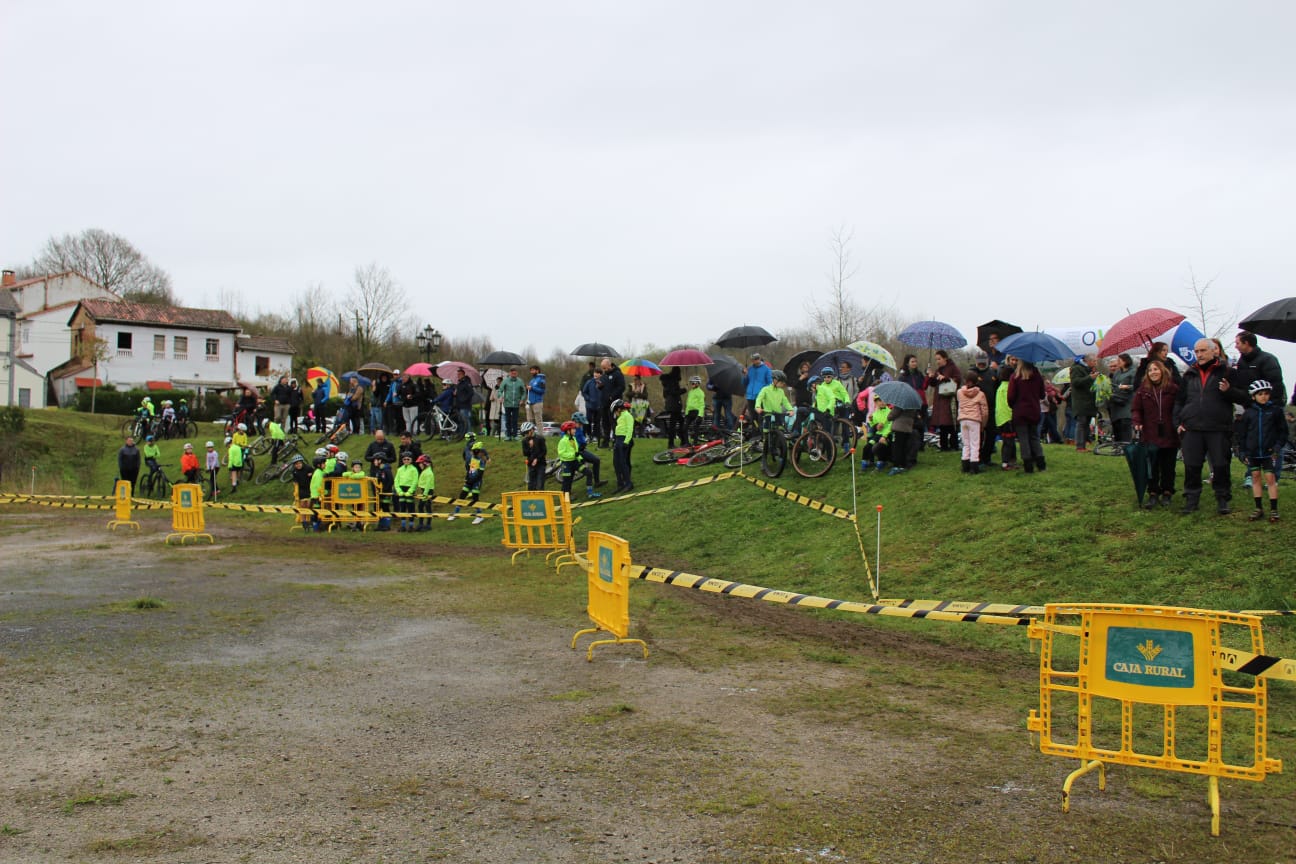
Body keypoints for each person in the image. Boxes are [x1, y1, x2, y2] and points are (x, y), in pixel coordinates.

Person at [1174, 338, 1248, 515]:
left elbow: (1243, 397)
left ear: (1213, 351)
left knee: (1221, 465)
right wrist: (1177, 422)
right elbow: (1179, 401)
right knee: (1192, 466)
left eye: (1202, 351)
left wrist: (1229, 391)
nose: (1199, 354)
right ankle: (1191, 500)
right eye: (1196, 351)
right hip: (1192, 428)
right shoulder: (1189, 374)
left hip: (1218, 427)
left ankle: (1223, 499)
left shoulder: (1228, 372)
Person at [1131, 359, 1180, 509]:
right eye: (1150, 370)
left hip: (1169, 432)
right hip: (1150, 432)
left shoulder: (1173, 389)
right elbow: (1136, 409)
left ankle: (1167, 492)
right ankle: (1152, 492)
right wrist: (1137, 421)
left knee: (1168, 465)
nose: (1153, 372)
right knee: (1151, 465)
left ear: (1162, 371)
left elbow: (1179, 408)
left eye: (1156, 369)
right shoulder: (1143, 390)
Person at [1238, 380, 1287, 523]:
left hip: (1269, 452)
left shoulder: (1275, 411)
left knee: (1270, 479)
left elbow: (1282, 432)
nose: (1264, 397)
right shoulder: (1248, 413)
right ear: (1253, 396)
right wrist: (1242, 451)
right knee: (1255, 477)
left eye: (1266, 394)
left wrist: (1277, 446)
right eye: (1260, 394)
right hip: (1253, 452)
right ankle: (1258, 508)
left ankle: (1274, 510)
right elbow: (1242, 434)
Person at [1008, 360, 1046, 473]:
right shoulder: (1037, 376)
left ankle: (1028, 466)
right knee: (1034, 438)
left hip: (1020, 411)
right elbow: (1042, 394)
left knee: (1023, 439)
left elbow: (1010, 396)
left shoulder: (1015, 377)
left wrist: (1014, 405)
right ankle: (1041, 464)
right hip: (1034, 410)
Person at [557, 421, 601, 500]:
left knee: (588, 473)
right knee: (567, 481)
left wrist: (580, 459)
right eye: (573, 429)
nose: (575, 430)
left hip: (575, 462)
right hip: (567, 464)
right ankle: (565, 498)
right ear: (568, 431)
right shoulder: (563, 441)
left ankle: (590, 493)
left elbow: (576, 451)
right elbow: (561, 454)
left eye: (574, 428)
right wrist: (573, 455)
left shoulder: (573, 439)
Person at [449, 440, 489, 523]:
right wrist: (467, 478)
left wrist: (472, 481)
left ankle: (479, 515)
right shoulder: (472, 459)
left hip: (476, 482)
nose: (471, 452)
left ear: (477, 451)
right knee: (462, 495)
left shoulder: (481, 461)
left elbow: (480, 474)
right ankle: (455, 513)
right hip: (469, 480)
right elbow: (470, 470)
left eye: (473, 451)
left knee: (475, 498)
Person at [929, 350, 961, 451]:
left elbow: (958, 379)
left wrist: (946, 378)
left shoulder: (953, 368)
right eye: (936, 359)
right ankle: (944, 446)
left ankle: (954, 445)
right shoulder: (939, 369)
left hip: (949, 399)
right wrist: (931, 377)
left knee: (951, 424)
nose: (937, 361)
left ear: (945, 358)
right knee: (942, 424)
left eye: (939, 359)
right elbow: (934, 384)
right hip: (939, 399)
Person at [957, 371, 989, 474]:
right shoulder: (980, 394)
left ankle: (965, 465)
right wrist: (983, 424)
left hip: (963, 419)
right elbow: (984, 411)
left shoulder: (959, 392)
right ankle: (974, 466)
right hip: (974, 419)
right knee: (975, 444)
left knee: (966, 443)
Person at [1070, 355, 1097, 451]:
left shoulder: (1089, 370)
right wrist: (1090, 378)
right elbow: (1076, 382)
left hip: (1089, 401)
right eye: (1094, 361)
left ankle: (1084, 445)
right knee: (1081, 422)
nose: (1095, 363)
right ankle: (1079, 446)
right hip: (1081, 401)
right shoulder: (1076, 368)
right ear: (1087, 361)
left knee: (1086, 423)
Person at [1108, 354, 1136, 443]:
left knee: (1125, 424)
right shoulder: (1117, 373)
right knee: (1116, 425)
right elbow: (1113, 384)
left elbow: (1137, 386)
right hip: (1116, 401)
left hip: (1127, 401)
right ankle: (1117, 445)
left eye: (1120, 361)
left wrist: (1127, 387)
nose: (1118, 362)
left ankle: (1126, 445)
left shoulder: (1133, 372)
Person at [572, 413, 604, 487]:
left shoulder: (579, 428)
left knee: (596, 460)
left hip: (581, 450)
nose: (581, 425)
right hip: (575, 452)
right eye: (580, 424)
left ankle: (597, 482)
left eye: (582, 424)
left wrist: (584, 443)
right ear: (574, 421)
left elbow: (582, 439)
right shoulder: (569, 430)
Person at [611, 398, 635, 494]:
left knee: (623, 462)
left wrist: (626, 442)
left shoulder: (627, 416)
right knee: (616, 463)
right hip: (618, 440)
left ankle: (628, 483)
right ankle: (620, 483)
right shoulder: (620, 417)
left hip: (624, 440)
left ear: (619, 409)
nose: (615, 414)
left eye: (615, 411)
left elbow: (630, 429)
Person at [742, 353, 773, 426]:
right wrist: (745, 375)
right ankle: (755, 432)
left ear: (759, 359)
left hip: (760, 397)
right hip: (750, 396)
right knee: (753, 416)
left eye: (757, 359)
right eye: (753, 360)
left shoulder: (766, 369)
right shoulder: (749, 369)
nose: (755, 361)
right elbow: (744, 383)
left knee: (760, 417)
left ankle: (761, 433)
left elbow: (770, 383)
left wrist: (762, 390)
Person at [393, 451, 419, 532]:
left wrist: (411, 491)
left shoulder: (414, 469)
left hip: (409, 489)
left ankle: (411, 525)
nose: (406, 461)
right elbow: (396, 480)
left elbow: (415, 481)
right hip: (401, 489)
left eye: (408, 459)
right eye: (404, 459)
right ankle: (403, 525)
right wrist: (399, 490)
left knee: (410, 508)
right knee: (402, 507)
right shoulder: (400, 469)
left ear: (411, 460)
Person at [659, 367, 684, 449]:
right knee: (676, 423)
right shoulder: (674, 381)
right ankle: (674, 442)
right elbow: (674, 392)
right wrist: (683, 390)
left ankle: (681, 440)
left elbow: (665, 394)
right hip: (675, 404)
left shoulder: (666, 382)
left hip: (670, 404)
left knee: (678, 422)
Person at [499, 367, 526, 441]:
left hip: (516, 404)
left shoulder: (520, 381)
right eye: (512, 373)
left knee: (515, 420)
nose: (514, 374)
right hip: (507, 403)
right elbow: (500, 390)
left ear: (517, 373)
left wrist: (522, 399)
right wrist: (501, 397)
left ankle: (515, 435)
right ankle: (508, 435)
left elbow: (524, 392)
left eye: (515, 373)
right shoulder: (505, 381)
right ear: (510, 373)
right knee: (508, 420)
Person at [521, 421, 547, 491]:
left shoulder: (540, 439)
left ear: (532, 430)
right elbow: (525, 453)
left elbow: (544, 451)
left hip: (540, 463)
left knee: (540, 484)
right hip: (531, 464)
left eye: (527, 432)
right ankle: (531, 499)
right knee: (531, 484)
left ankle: (541, 499)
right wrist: (530, 446)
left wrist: (537, 459)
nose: (526, 435)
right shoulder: (524, 441)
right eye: (524, 433)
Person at [415, 454, 436, 531]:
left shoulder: (429, 472)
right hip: (424, 491)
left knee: (427, 507)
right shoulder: (426, 471)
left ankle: (428, 525)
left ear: (426, 463)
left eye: (420, 463)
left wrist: (425, 494)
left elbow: (428, 484)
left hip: (427, 491)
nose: (419, 465)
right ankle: (421, 524)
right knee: (421, 507)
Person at [684, 375, 706, 445]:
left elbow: (702, 405)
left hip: (697, 412)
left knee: (695, 428)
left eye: (693, 383)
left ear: (697, 383)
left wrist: (700, 415)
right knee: (684, 428)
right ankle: (687, 443)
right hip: (689, 412)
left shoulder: (700, 392)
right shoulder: (690, 392)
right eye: (691, 383)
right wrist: (686, 413)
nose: (692, 385)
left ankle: (695, 443)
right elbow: (688, 403)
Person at [526, 365, 547, 429]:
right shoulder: (532, 380)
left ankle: (541, 437)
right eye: (530, 370)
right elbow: (530, 391)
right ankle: (530, 436)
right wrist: (527, 389)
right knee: (529, 421)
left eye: (533, 370)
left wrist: (532, 388)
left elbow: (543, 391)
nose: (531, 372)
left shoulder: (542, 380)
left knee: (538, 421)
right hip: (530, 402)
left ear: (537, 370)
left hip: (537, 402)